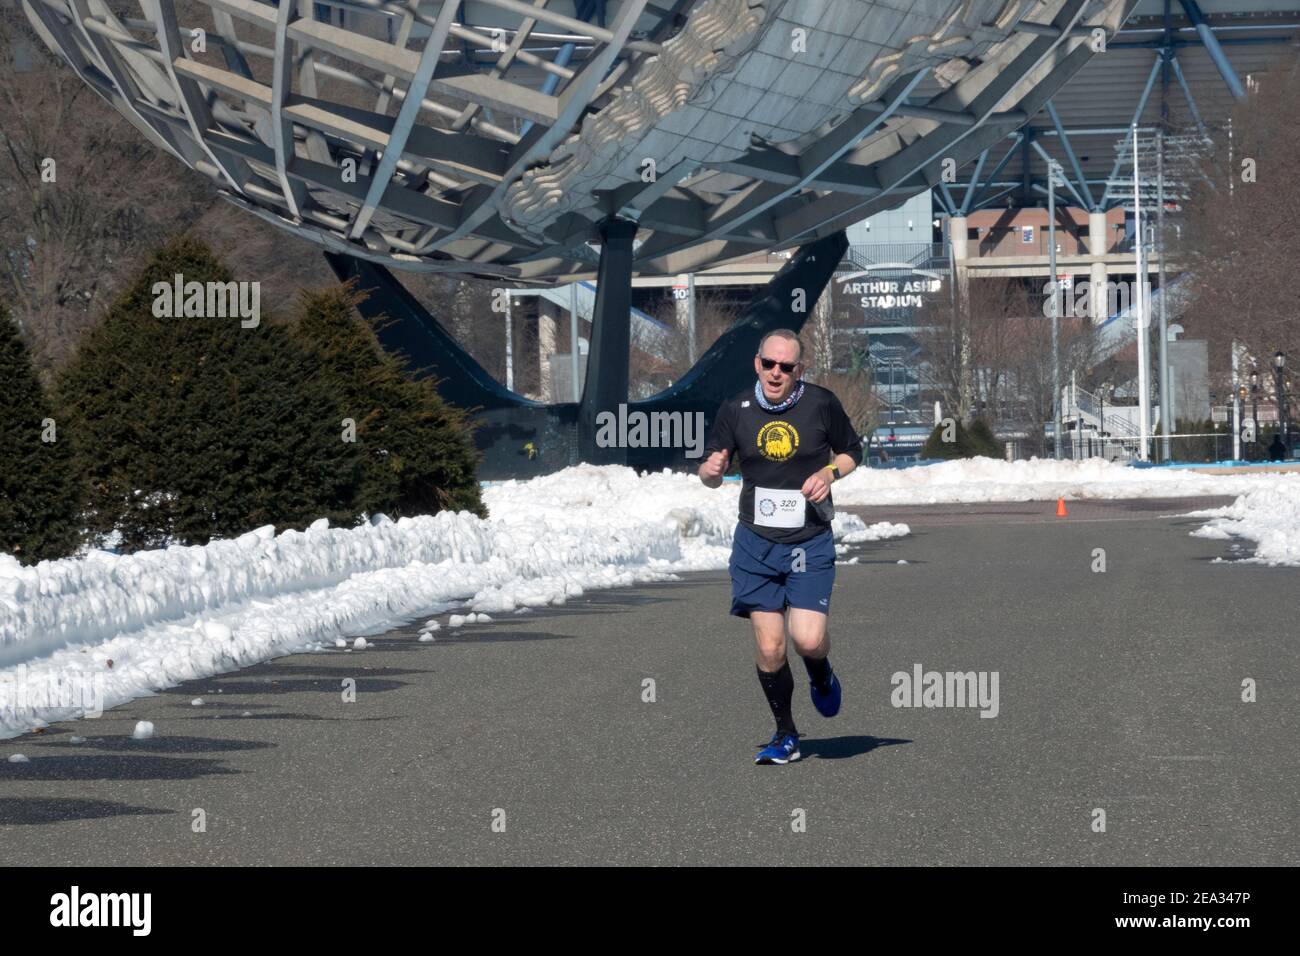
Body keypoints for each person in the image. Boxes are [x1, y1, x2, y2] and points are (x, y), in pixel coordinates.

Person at [698, 329, 863, 765]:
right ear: (757, 364)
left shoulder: (821, 403)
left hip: (808, 540)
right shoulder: (736, 409)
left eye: (786, 367)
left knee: (807, 639)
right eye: (769, 364)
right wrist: (711, 471)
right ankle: (786, 734)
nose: (776, 373)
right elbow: (710, 471)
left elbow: (852, 451)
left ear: (799, 370)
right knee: (771, 648)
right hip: (755, 543)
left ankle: (820, 673)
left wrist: (829, 473)